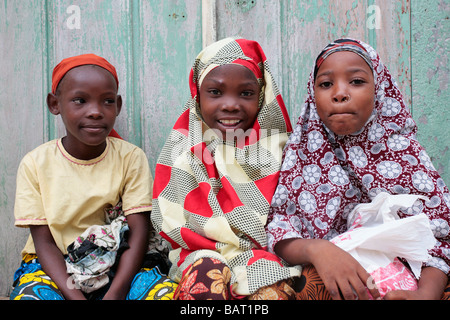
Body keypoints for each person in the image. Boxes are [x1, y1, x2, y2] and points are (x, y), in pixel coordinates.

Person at [266, 38, 450, 300]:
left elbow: (441, 238)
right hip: (332, 281)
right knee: (308, 283)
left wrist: (426, 294)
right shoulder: (305, 153)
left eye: (356, 81)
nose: (339, 93)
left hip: (406, 284)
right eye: (326, 84)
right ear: (312, 95)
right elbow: (281, 228)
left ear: (380, 90)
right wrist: (318, 250)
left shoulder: (403, 152)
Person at [11, 54, 176, 300]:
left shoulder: (130, 158)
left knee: (164, 295)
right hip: (55, 269)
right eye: (80, 101)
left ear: (118, 105)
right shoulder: (35, 164)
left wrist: (116, 293)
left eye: (107, 101)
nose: (96, 112)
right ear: (54, 104)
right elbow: (44, 243)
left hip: (119, 266)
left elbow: (139, 231)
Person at [151, 37, 302, 300]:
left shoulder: (284, 152)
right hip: (198, 256)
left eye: (245, 93)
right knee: (206, 277)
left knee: (271, 285)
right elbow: (171, 222)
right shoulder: (184, 152)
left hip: (268, 257)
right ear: (197, 95)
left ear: (262, 96)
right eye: (216, 92)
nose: (231, 104)